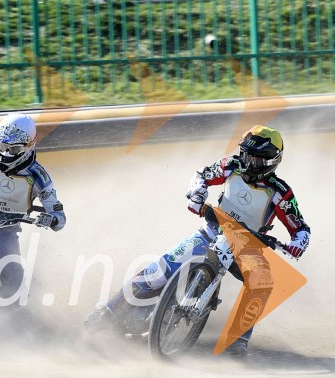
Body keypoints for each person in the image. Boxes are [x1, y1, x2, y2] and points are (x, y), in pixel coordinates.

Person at [88, 125, 311, 355]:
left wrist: (295, 245)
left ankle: (238, 341)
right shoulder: (230, 166)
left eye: (256, 159)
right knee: (158, 271)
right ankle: (108, 312)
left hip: (248, 248)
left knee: (263, 283)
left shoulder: (280, 193)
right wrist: (196, 196)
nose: (249, 162)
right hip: (211, 232)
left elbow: (302, 229)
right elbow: (201, 176)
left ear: (271, 161)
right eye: (246, 155)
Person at [0, 112, 66, 299]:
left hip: (6, 230)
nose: (5, 153)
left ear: (30, 144)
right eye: (2, 146)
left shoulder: (39, 177)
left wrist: (51, 219)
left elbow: (60, 217)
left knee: (15, 283)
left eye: (13, 149)